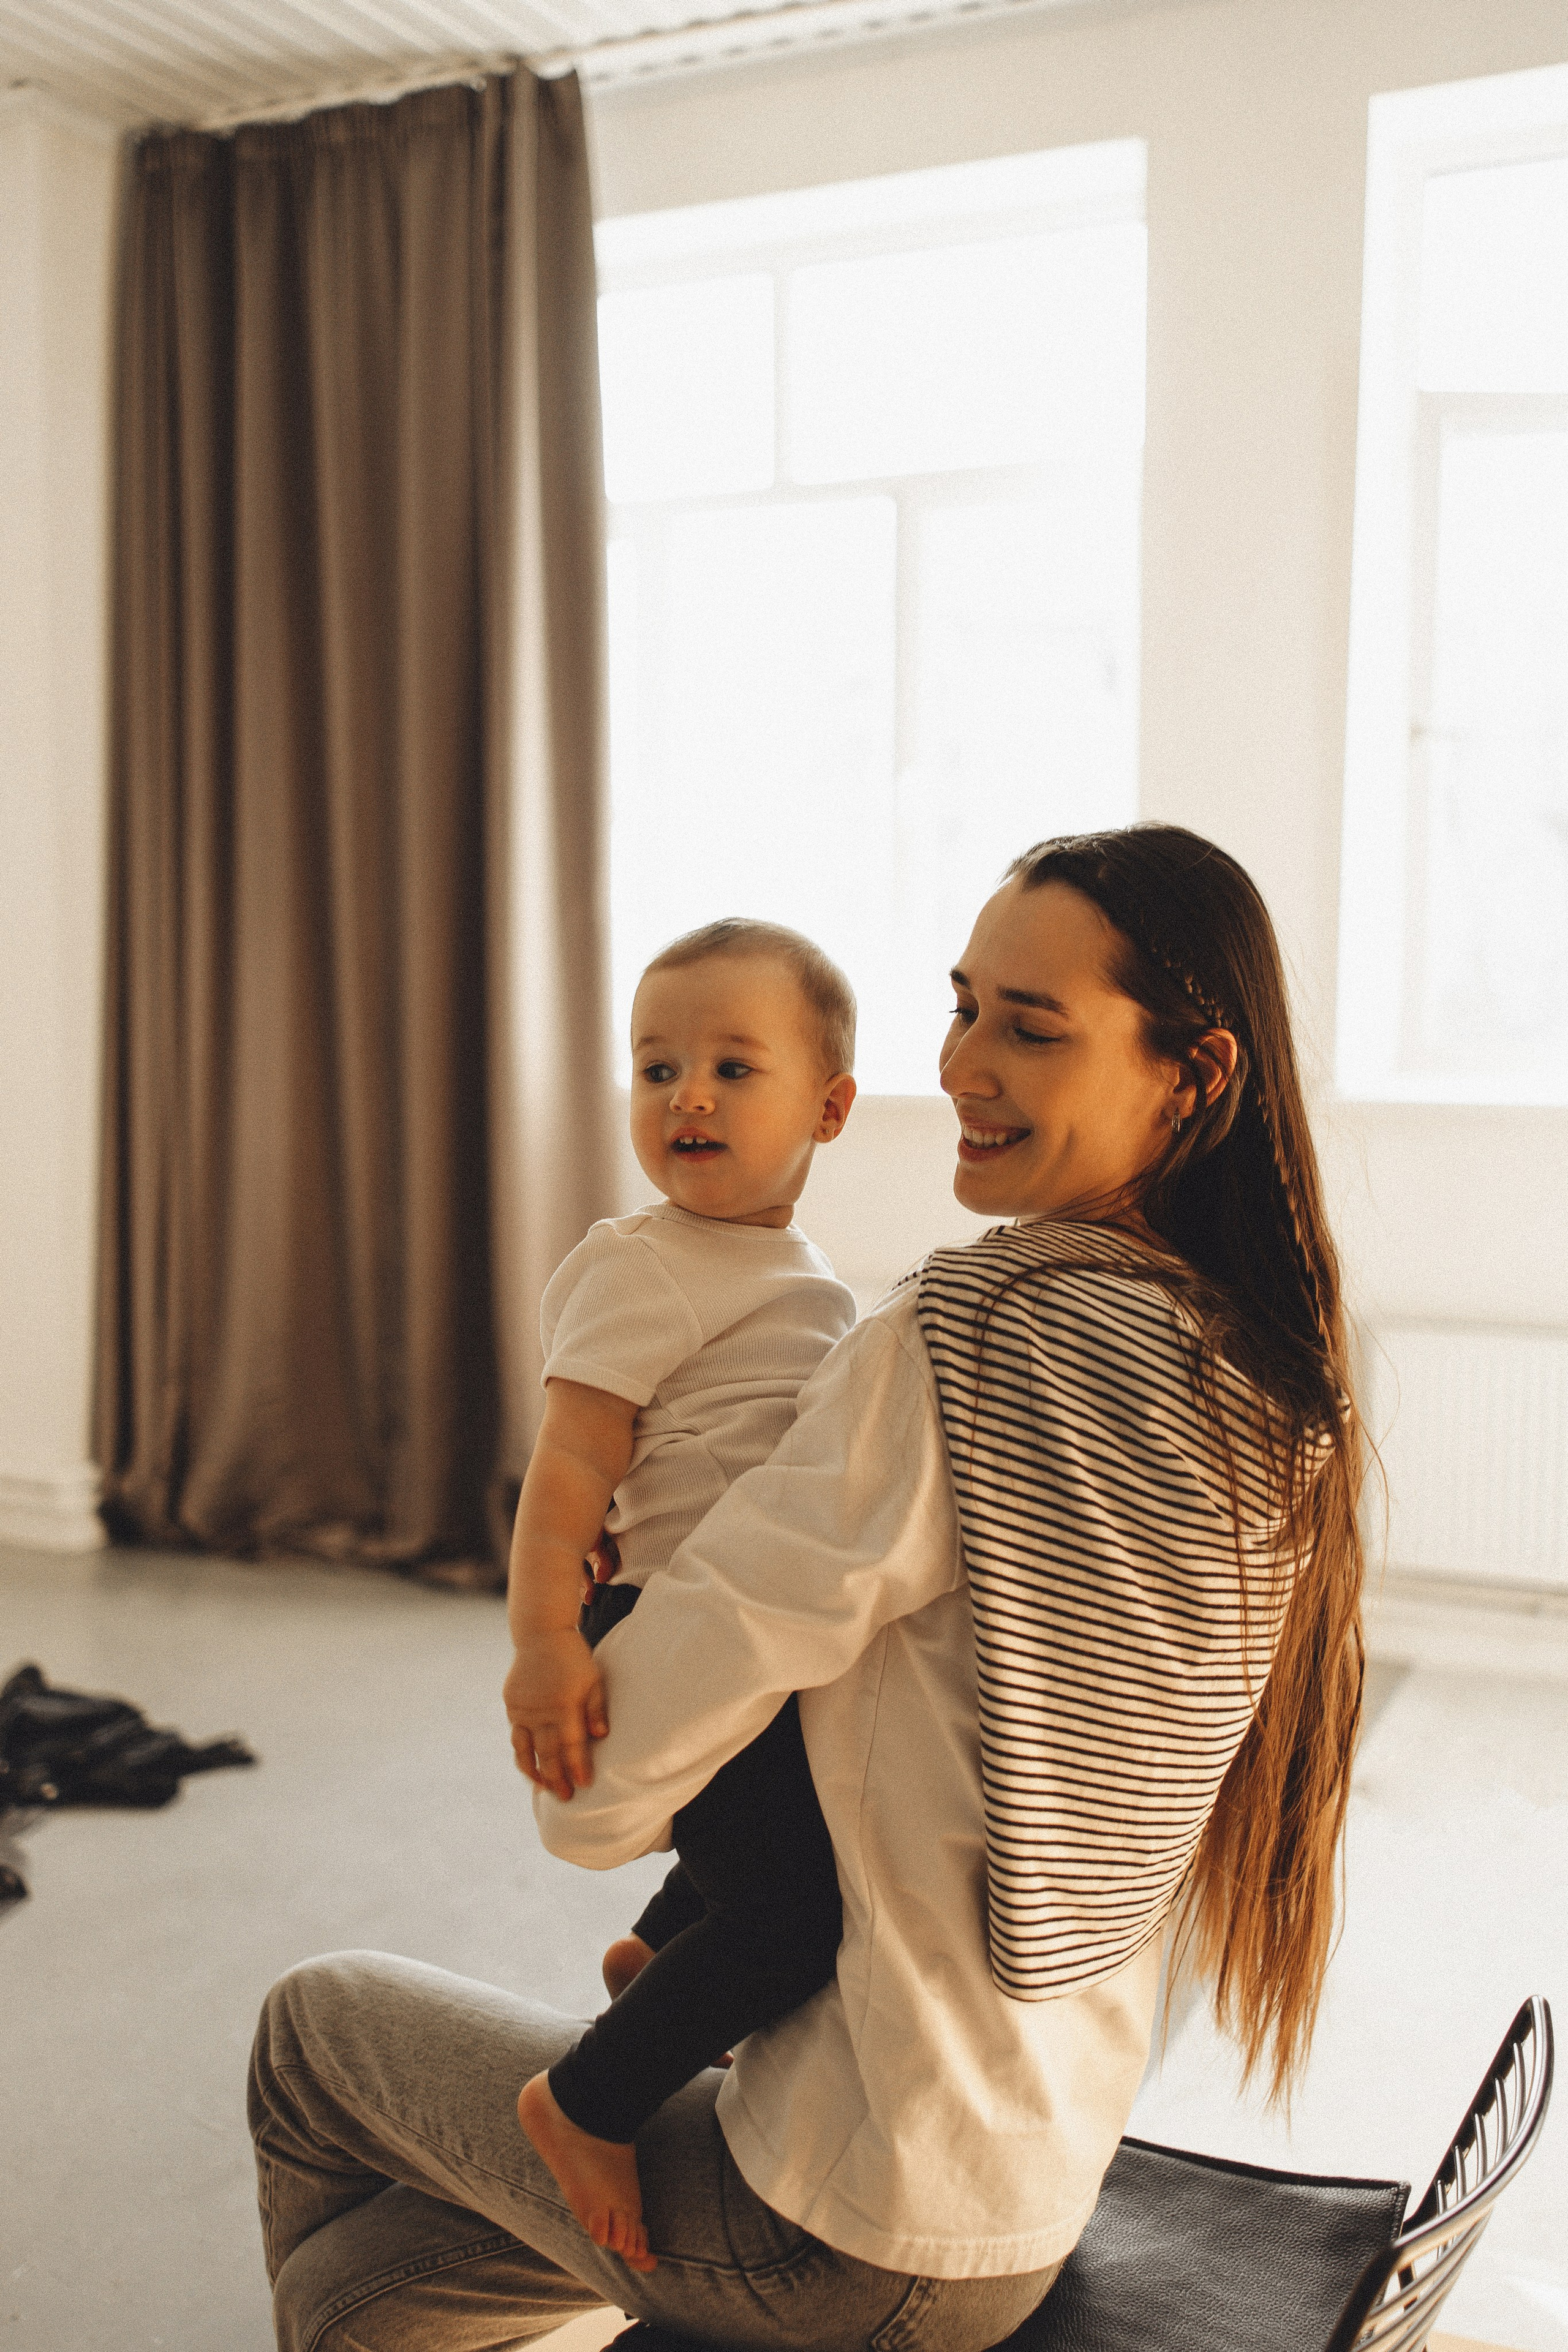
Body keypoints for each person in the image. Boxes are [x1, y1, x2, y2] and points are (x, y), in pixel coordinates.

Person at [249, 824, 1367, 2352]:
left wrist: (589, 1623)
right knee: (354, 2290)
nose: (962, 1064)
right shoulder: (1283, 1386)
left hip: (856, 2219)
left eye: (1027, 1028)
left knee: (315, 2026)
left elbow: (597, 1802)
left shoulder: (964, 1340)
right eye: (962, 1005)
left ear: (1192, 1072)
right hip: (1031, 2166)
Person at [503, 918, 858, 2268]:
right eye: (655, 1068)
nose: (685, 1096)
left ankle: (657, 1962)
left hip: (748, 1622)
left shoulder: (798, 1275)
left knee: (797, 1847)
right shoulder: (640, 1264)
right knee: (793, 1914)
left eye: (728, 1065)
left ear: (826, 1105)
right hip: (668, 1622)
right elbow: (569, 1470)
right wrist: (544, 1639)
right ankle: (589, 2096)